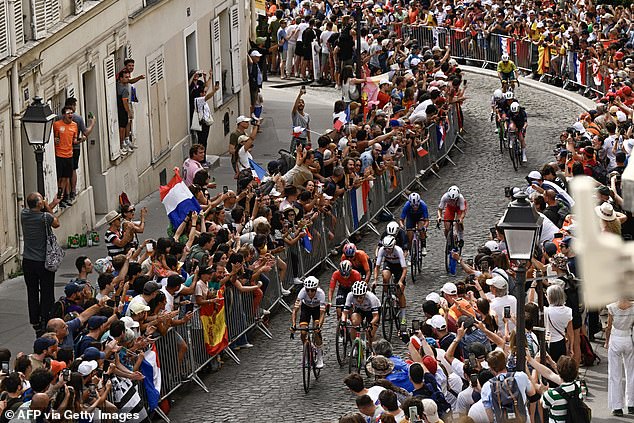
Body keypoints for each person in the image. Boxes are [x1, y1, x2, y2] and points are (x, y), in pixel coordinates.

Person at [21, 192, 60, 336]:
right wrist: (48, 207)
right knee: (47, 291)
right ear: (39, 204)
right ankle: (46, 317)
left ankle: (35, 320)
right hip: (43, 261)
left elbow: (40, 215)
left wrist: (52, 204)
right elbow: (56, 223)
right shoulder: (46, 217)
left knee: (32, 291)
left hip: (28, 261)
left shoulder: (24, 215)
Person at [605, 296, 634, 416]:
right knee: (631, 373)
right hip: (628, 338)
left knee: (615, 374)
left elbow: (608, 327)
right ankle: (631, 404)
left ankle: (617, 407)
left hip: (616, 338)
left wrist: (606, 341)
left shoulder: (612, 307)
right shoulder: (633, 308)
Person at [62, 97, 95, 203]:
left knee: (65, 172)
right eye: (75, 105)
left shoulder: (59, 117)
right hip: (74, 147)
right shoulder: (78, 118)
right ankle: (73, 191)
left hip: (62, 148)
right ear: (72, 106)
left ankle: (65, 194)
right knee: (73, 170)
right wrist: (92, 123)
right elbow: (85, 132)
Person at [290, 276, 326, 368]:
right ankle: (307, 350)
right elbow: (295, 310)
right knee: (303, 332)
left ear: (316, 289)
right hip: (306, 308)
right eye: (308, 290)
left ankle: (320, 357)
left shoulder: (321, 294)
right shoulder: (302, 292)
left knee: (316, 331)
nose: (310, 293)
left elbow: (322, 313)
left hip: (317, 310)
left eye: (312, 290)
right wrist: (293, 324)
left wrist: (319, 326)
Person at [373, 235, 408, 326]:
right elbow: (377, 267)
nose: (387, 251)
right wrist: (375, 280)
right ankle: (386, 296)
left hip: (399, 267)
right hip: (388, 264)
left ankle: (403, 316)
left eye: (389, 249)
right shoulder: (382, 250)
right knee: (385, 277)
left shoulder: (399, 251)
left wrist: (400, 281)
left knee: (400, 292)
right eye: (386, 249)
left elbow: (404, 269)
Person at [53, 106, 79, 208]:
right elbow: (52, 137)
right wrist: (55, 140)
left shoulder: (74, 125)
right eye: (68, 113)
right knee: (59, 178)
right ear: (63, 115)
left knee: (65, 178)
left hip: (69, 155)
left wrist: (81, 140)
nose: (70, 115)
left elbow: (74, 140)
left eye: (71, 113)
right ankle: (58, 198)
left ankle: (62, 197)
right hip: (59, 154)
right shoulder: (57, 125)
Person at [341, 281, 380, 349]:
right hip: (360, 309)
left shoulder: (371, 297)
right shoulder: (350, 295)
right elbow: (344, 312)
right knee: (354, 323)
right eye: (356, 297)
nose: (358, 299)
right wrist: (343, 321)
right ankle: (355, 345)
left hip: (372, 312)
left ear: (364, 294)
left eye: (360, 297)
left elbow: (376, 316)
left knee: (370, 334)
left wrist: (371, 324)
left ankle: (371, 350)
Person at [190, 70, 220, 155]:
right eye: (202, 92)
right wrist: (214, 91)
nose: (204, 93)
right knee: (202, 142)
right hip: (201, 123)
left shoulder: (200, 86)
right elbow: (207, 96)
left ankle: (203, 159)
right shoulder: (198, 100)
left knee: (204, 142)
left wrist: (209, 77)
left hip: (205, 123)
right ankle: (202, 160)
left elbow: (206, 87)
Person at [400, 192, 429, 260]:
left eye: (416, 205)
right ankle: (411, 254)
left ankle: (423, 246)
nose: (415, 207)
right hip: (410, 218)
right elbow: (401, 220)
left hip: (420, 217)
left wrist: (424, 227)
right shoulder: (406, 206)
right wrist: (402, 226)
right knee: (409, 236)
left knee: (421, 228)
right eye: (413, 206)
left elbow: (427, 221)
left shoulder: (423, 205)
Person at [116, 69, 133, 154]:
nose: (128, 79)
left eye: (128, 77)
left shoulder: (117, 85)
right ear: (121, 78)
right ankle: (122, 145)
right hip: (122, 110)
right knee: (122, 128)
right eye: (126, 77)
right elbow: (125, 102)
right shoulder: (125, 90)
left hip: (117, 109)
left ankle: (123, 143)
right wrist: (129, 112)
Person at [248, 50, 264, 115]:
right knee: (253, 102)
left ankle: (253, 115)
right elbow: (251, 62)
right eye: (257, 57)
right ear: (253, 57)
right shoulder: (252, 64)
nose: (258, 58)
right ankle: (252, 114)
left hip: (257, 85)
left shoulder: (256, 64)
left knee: (255, 101)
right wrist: (247, 55)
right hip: (254, 86)